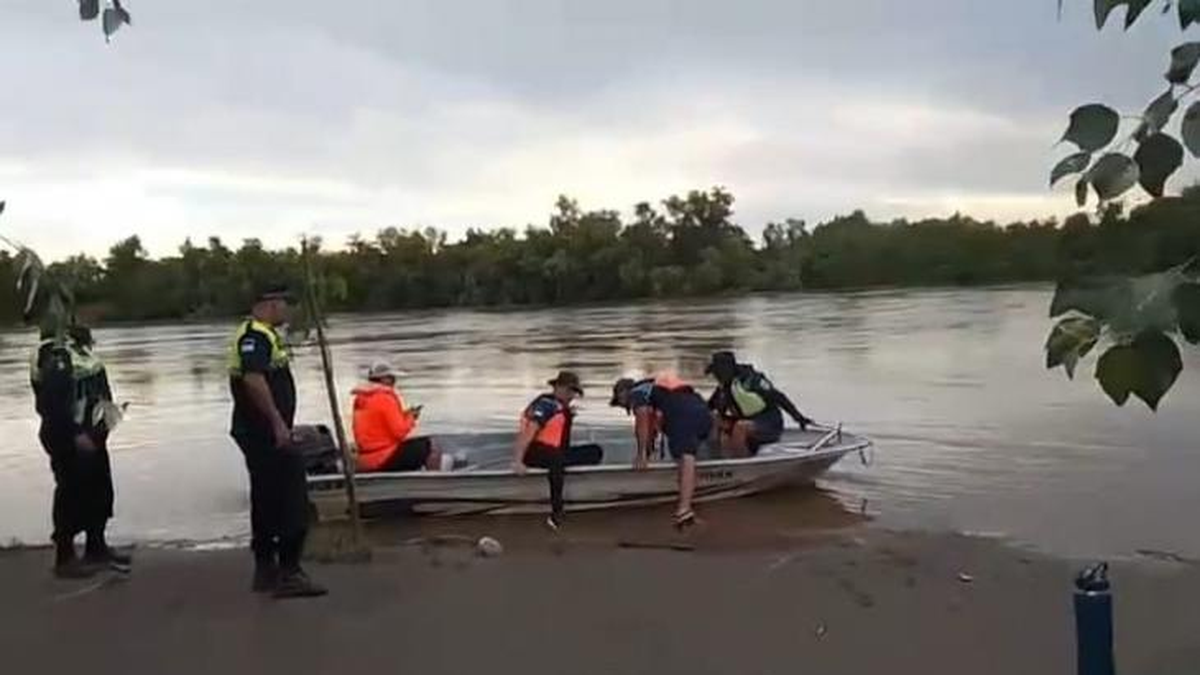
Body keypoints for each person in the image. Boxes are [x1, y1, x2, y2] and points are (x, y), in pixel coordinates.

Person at [228, 285, 326, 599]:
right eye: (284, 303)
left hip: (263, 431)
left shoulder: (265, 334)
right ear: (269, 304)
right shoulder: (254, 337)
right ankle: (289, 572)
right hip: (264, 433)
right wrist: (277, 423)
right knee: (291, 499)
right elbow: (253, 379)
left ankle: (266, 570)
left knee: (266, 497)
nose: (287, 309)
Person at [30, 323, 131, 578]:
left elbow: (96, 389)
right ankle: (64, 558)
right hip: (68, 435)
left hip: (93, 432)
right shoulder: (55, 353)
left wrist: (108, 419)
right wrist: (75, 433)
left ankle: (96, 548)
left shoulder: (79, 351)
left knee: (99, 489)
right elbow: (52, 403)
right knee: (72, 493)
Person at [610, 374, 711, 529]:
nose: (627, 409)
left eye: (622, 404)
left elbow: (642, 418)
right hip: (702, 411)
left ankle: (684, 510)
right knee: (683, 454)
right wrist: (648, 448)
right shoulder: (653, 389)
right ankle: (687, 502)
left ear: (623, 392)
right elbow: (652, 424)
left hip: (684, 413)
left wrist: (641, 455)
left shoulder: (636, 393)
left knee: (686, 457)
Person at [512, 371, 603, 530]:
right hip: (533, 452)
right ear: (558, 388)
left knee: (595, 451)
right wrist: (518, 460)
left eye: (574, 392)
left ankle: (561, 469)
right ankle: (556, 511)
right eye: (569, 391)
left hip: (556, 452)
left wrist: (568, 415)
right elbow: (529, 432)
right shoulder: (545, 405)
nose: (571, 396)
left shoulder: (561, 406)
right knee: (556, 458)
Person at [705, 351, 812, 458]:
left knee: (740, 427)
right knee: (714, 419)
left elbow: (779, 397)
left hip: (769, 424)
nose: (715, 376)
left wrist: (798, 417)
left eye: (717, 372)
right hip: (745, 422)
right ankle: (716, 459)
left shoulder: (752, 380)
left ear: (726, 370)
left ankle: (742, 463)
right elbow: (708, 408)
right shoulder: (723, 388)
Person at [352, 361, 444, 473]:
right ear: (384, 379)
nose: (394, 381)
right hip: (383, 458)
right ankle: (433, 480)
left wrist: (406, 415)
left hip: (364, 459)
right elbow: (399, 432)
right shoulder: (385, 398)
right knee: (432, 445)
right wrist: (412, 417)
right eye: (391, 377)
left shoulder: (361, 399)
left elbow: (379, 425)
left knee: (412, 447)